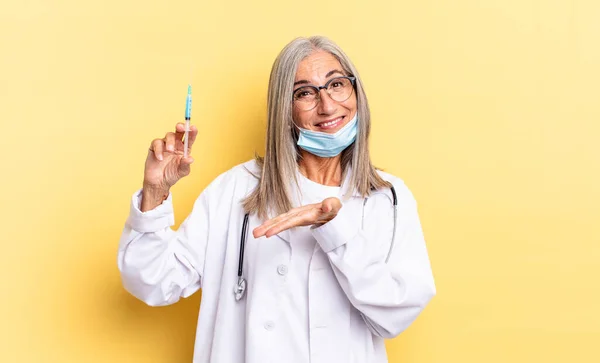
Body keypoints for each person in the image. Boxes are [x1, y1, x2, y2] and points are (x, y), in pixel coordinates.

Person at [118, 36, 436, 363]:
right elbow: (154, 281)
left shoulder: (388, 198)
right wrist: (154, 192)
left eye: (337, 84)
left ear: (356, 92)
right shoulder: (236, 190)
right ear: (285, 108)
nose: (327, 106)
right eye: (305, 93)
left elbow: (398, 312)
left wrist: (337, 232)